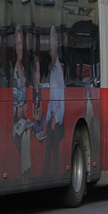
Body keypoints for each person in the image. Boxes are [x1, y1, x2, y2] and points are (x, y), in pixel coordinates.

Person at [43, 26, 65, 177]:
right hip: (52, 118)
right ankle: (47, 175)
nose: (50, 51)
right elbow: (52, 99)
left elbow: (61, 101)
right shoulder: (52, 71)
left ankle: (55, 174)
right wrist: (47, 117)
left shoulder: (59, 71)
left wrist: (55, 119)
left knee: (54, 148)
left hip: (58, 122)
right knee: (47, 150)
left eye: (51, 47)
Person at [11, 29, 32, 183]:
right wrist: (18, 111)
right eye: (17, 43)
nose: (20, 47)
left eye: (21, 44)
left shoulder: (24, 69)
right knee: (25, 135)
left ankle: (27, 175)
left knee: (28, 130)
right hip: (13, 121)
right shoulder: (10, 71)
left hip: (24, 119)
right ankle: (26, 176)